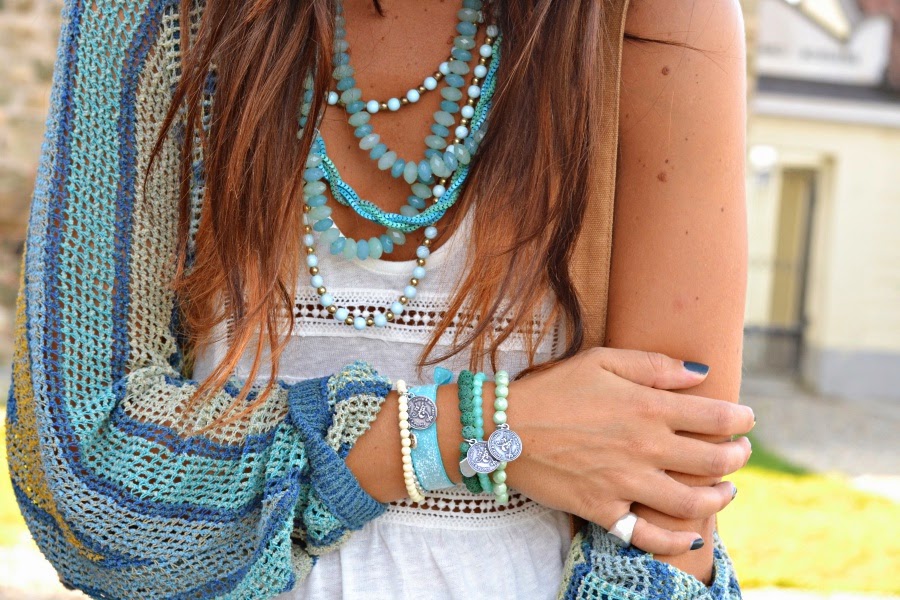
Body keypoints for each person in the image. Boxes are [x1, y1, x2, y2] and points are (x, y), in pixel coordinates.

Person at [6, 0, 753, 597]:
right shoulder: (159, 16)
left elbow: (665, 536)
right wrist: (473, 429)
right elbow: (86, 480)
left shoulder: (653, 16)